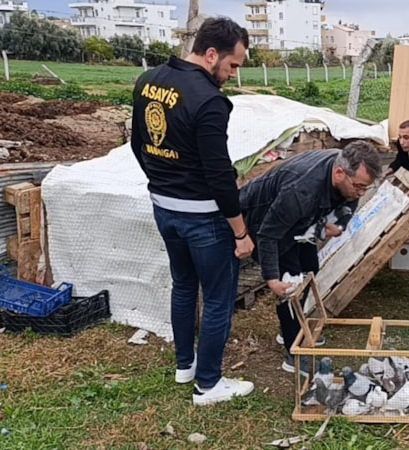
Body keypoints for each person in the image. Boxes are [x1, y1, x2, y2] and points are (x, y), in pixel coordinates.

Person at [130, 17, 255, 406]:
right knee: (218, 298)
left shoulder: (148, 80)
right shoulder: (209, 100)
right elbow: (220, 175)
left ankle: (185, 365)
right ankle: (208, 384)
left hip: (164, 208)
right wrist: (240, 232)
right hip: (204, 217)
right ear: (212, 54)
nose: (233, 75)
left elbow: (138, 144)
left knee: (183, 285)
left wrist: (163, 181)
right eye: (232, 65)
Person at [239, 142, 382, 374]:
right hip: (262, 218)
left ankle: (291, 328)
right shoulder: (302, 190)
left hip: (300, 221)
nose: (361, 193)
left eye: (366, 188)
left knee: (309, 268)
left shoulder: (344, 168)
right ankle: (293, 352)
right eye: (359, 186)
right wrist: (272, 278)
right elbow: (268, 234)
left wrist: (340, 223)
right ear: (339, 173)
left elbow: (350, 201)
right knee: (291, 281)